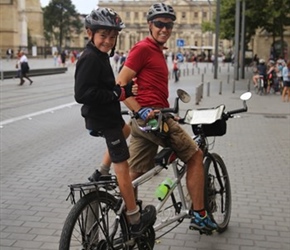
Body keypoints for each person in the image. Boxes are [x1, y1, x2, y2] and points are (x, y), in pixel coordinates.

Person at [116, 2, 217, 233]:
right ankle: (200, 215)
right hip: (153, 119)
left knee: (136, 172)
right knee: (195, 156)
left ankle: (126, 216)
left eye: (168, 25)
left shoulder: (155, 51)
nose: (164, 29)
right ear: (149, 25)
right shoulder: (143, 49)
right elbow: (119, 84)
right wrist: (139, 108)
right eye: (159, 24)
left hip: (147, 120)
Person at [74, 7, 156, 236]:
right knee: (123, 166)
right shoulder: (90, 58)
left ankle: (101, 171)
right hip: (103, 118)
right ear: (90, 33)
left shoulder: (100, 56)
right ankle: (134, 218)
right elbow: (82, 93)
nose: (108, 41)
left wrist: (122, 89)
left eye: (112, 37)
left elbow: (104, 86)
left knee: (126, 129)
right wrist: (115, 95)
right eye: (103, 36)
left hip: (109, 117)